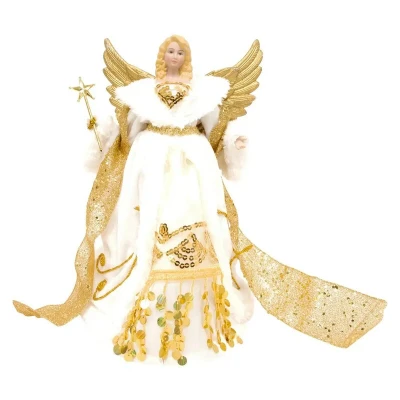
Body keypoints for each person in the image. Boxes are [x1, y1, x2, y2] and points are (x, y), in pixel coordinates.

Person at [13, 35, 387, 366]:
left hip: (194, 169)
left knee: (198, 220)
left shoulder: (203, 93)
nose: (175, 56)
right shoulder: (142, 93)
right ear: (162, 55)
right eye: (170, 51)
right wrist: (104, 134)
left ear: (186, 57)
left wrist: (235, 143)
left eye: (181, 52)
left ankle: (201, 319)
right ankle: (139, 312)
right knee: (143, 224)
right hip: (150, 165)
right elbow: (125, 136)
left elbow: (216, 133)